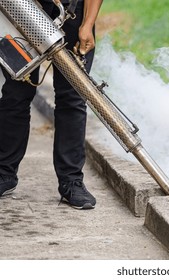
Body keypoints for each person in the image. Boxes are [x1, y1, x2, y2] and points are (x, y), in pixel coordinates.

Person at [0, 0, 103, 209]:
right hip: (24, 9)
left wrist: (88, 23)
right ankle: (4, 174)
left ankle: (71, 182)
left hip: (73, 11)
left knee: (72, 97)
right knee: (15, 93)